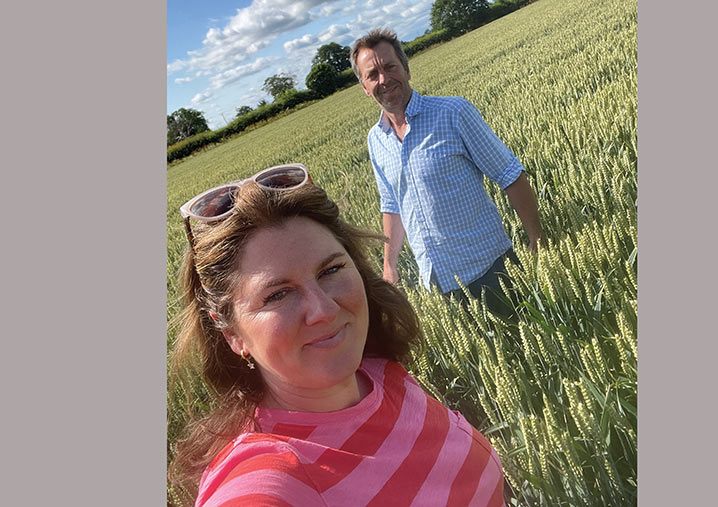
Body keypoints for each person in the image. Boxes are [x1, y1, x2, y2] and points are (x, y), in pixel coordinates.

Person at [169, 163, 505, 506]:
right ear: (231, 334)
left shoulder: (378, 375)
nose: (324, 310)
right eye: (277, 294)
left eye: (330, 270)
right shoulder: (265, 481)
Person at [350, 28, 545, 315]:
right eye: (373, 74)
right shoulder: (375, 140)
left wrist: (536, 239)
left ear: (406, 69)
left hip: (491, 269)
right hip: (438, 285)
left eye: (390, 67)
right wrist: (390, 268)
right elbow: (392, 205)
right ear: (365, 88)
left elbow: (510, 175)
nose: (384, 79)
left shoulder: (453, 113)